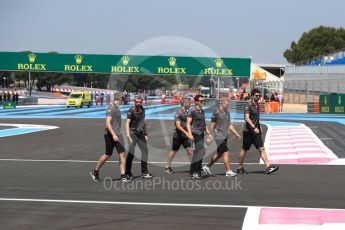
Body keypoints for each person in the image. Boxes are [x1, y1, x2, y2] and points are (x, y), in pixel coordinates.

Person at [237, 88, 279, 175]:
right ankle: (239, 167)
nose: (258, 97)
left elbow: (256, 118)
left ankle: (268, 167)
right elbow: (247, 118)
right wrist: (253, 127)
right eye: (256, 96)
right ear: (252, 96)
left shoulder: (257, 105)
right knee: (244, 149)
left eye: (259, 95)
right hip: (248, 131)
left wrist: (259, 126)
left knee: (262, 148)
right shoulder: (248, 105)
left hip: (256, 131)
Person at [90, 94, 131, 182]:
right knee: (108, 154)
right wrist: (113, 134)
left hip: (118, 135)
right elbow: (107, 123)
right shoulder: (111, 108)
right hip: (110, 135)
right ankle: (95, 171)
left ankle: (123, 175)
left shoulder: (117, 108)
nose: (124, 100)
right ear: (119, 99)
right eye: (123, 99)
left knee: (122, 154)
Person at [202, 98, 241, 177]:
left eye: (228, 105)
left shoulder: (227, 113)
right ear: (222, 104)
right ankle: (228, 171)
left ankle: (207, 167)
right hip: (218, 136)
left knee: (219, 154)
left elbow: (229, 125)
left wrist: (236, 133)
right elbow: (212, 125)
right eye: (226, 105)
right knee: (226, 152)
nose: (227, 106)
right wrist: (209, 135)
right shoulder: (216, 113)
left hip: (225, 136)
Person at [125, 96, 154, 179]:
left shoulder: (142, 109)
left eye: (139, 102)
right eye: (137, 102)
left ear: (142, 102)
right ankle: (128, 173)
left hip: (140, 133)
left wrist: (145, 133)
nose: (138, 103)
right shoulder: (131, 110)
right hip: (132, 133)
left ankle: (144, 172)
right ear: (134, 102)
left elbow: (143, 122)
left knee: (145, 151)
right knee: (131, 153)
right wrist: (128, 135)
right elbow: (127, 123)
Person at [164, 98, 193, 174]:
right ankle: (167, 166)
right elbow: (178, 125)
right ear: (184, 103)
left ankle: (194, 167)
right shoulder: (178, 112)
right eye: (189, 103)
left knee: (190, 150)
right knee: (174, 150)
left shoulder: (188, 112)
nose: (190, 104)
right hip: (178, 136)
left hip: (185, 136)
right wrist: (186, 132)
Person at [187, 95, 213, 179]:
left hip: (201, 133)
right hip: (195, 133)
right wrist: (190, 134)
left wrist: (209, 133)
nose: (203, 102)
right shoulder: (192, 110)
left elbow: (204, 124)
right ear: (196, 102)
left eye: (204, 101)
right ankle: (197, 172)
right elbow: (188, 124)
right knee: (201, 151)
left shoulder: (202, 111)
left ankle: (192, 172)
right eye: (201, 101)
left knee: (196, 153)